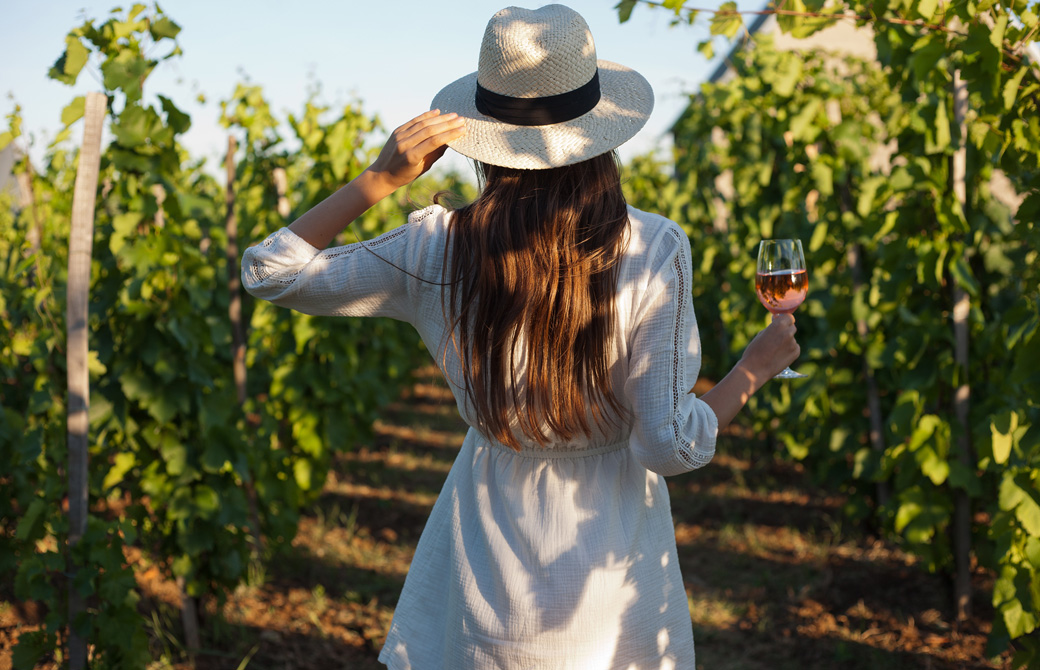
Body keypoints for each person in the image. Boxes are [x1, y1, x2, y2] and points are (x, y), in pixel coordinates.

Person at [242, 4, 800, 669]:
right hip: (611, 564)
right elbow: (669, 444)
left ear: (484, 135)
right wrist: (752, 371)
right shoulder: (653, 247)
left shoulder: (435, 247)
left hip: (486, 555)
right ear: (601, 130)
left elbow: (269, 270)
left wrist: (380, 179)